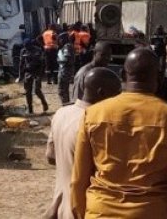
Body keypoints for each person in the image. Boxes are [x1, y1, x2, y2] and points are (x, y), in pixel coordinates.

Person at [71, 48, 167, 219]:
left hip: (99, 213)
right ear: (160, 78)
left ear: (123, 76)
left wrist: (82, 214)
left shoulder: (93, 114)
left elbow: (78, 180)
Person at [44, 67, 122, 219]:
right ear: (102, 93)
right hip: (84, 209)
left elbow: (50, 157)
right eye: (117, 93)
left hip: (61, 206)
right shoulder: (97, 124)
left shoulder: (62, 113)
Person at [17, 38, 49, 114]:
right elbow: (21, 63)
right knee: (28, 92)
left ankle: (44, 103)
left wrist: (41, 73)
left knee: (37, 90)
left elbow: (40, 61)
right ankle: (30, 108)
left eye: (27, 46)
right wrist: (20, 75)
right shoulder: (23, 51)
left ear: (31, 45)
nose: (26, 48)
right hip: (28, 73)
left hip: (37, 72)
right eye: (25, 46)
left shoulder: (37, 50)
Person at [57, 32, 76, 104]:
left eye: (61, 39)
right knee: (64, 90)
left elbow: (66, 59)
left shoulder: (67, 46)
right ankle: (66, 105)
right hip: (64, 70)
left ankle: (66, 105)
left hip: (65, 71)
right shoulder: (67, 46)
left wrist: (58, 59)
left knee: (62, 90)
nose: (59, 41)